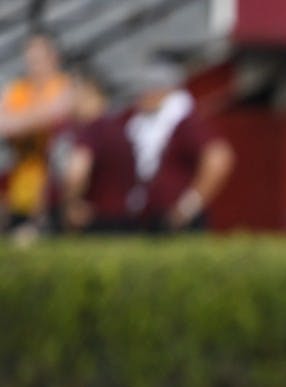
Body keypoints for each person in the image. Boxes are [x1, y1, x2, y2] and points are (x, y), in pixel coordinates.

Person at [124, 60, 233, 232]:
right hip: (149, 215)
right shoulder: (141, 123)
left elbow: (218, 158)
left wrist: (188, 206)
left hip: (177, 220)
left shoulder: (185, 122)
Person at [0, 31, 72, 236]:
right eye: (30, 59)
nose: (33, 65)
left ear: (54, 58)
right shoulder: (19, 89)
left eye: (39, 59)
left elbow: (56, 110)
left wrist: (21, 118)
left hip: (54, 190)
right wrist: (33, 117)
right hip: (20, 189)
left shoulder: (63, 86)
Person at [59, 66, 138, 233]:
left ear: (86, 92)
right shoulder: (118, 128)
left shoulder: (91, 130)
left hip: (94, 221)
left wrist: (70, 204)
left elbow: (77, 173)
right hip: (123, 220)